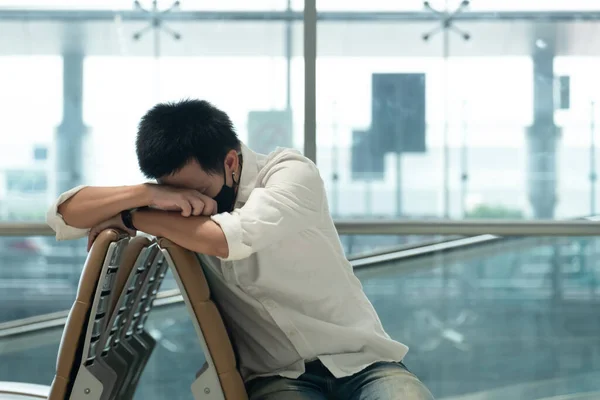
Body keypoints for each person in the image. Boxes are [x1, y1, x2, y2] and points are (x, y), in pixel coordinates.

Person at [46, 99, 434, 400]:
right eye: (175, 191)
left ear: (231, 162)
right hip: (278, 377)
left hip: (364, 362)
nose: (189, 202)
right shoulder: (174, 204)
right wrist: (148, 194)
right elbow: (64, 214)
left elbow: (226, 238)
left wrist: (134, 218)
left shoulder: (290, 173)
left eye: (198, 191)